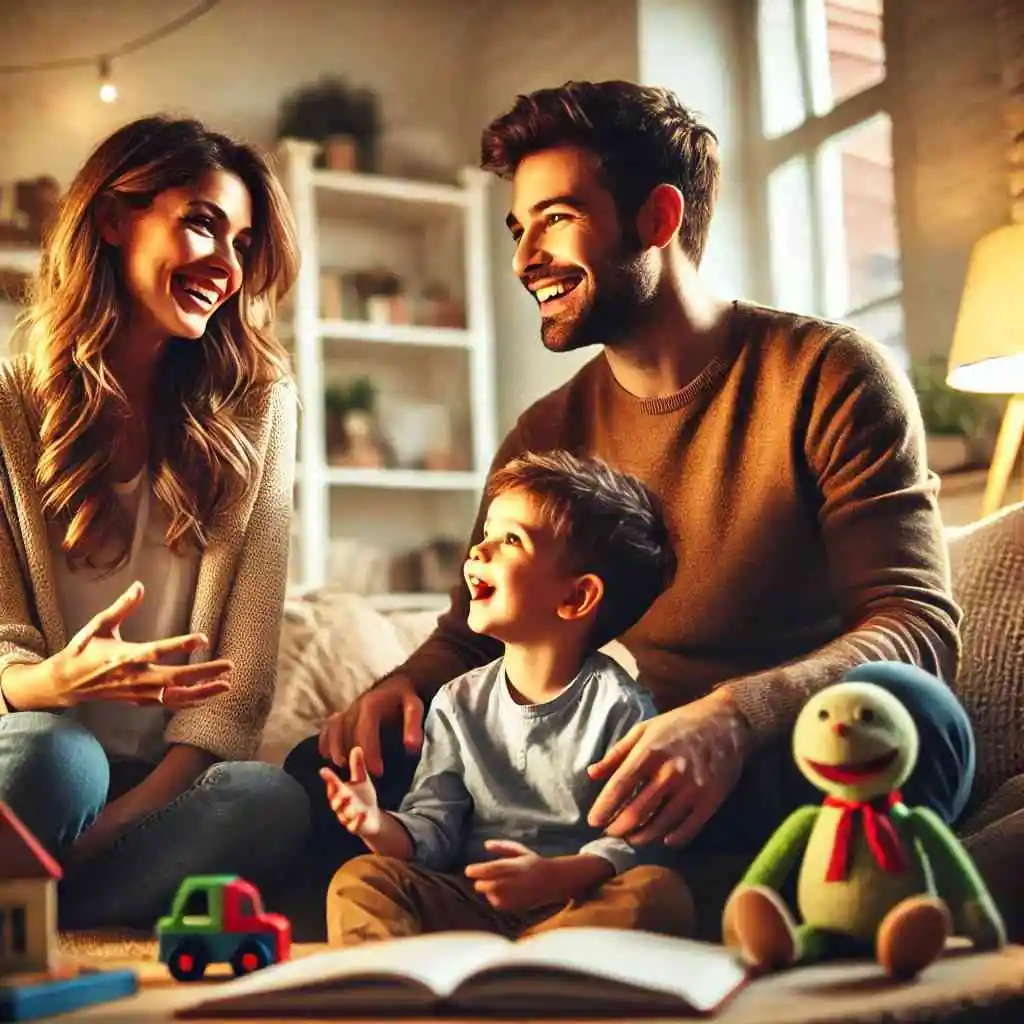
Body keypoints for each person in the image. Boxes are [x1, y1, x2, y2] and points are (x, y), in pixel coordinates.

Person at [284, 81, 973, 930]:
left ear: (657, 218)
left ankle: (699, 899)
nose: (522, 258)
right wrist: (401, 689)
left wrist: (734, 719)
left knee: (918, 721)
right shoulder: (548, 429)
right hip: (598, 779)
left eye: (556, 219)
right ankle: (649, 905)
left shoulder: (831, 374)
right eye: (518, 228)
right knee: (311, 776)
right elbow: (469, 633)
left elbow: (916, 626)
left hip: (772, 762)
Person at [0, 115, 310, 929]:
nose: (227, 266)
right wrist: (58, 683)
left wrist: (108, 832)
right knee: (54, 757)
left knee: (269, 798)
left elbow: (236, 692)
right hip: (33, 758)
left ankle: (36, 904)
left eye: (243, 244)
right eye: (203, 224)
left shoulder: (264, 412)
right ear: (112, 219)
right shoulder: (5, 407)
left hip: (155, 792)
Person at [319, 450, 693, 944]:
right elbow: (434, 827)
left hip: (574, 903)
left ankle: (531, 966)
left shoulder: (620, 707)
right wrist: (376, 825)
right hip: (473, 902)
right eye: (486, 533)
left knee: (658, 893)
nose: (479, 550)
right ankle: (399, 988)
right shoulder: (457, 702)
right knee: (362, 879)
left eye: (510, 539)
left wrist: (557, 877)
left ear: (576, 598)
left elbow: (636, 842)